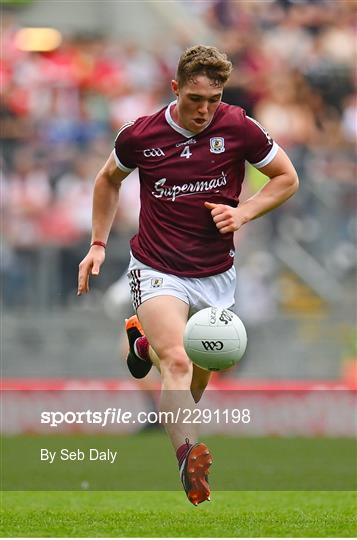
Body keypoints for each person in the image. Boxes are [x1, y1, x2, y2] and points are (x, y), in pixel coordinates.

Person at [77, 45, 299, 505]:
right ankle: (187, 457)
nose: (203, 110)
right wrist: (97, 245)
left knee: (198, 379)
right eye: (195, 98)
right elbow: (107, 180)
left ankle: (141, 341)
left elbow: (286, 177)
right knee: (176, 362)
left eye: (213, 100)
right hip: (157, 269)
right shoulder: (141, 134)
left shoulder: (238, 125)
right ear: (175, 88)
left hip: (216, 275)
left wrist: (244, 213)